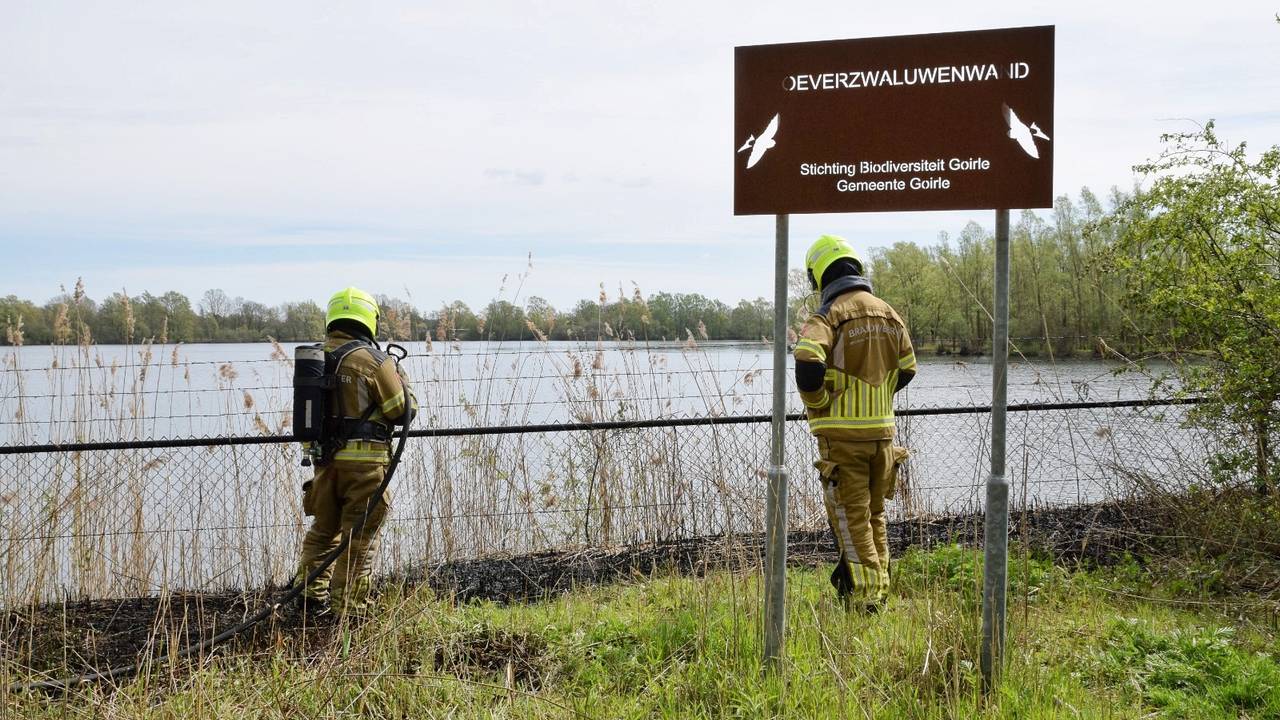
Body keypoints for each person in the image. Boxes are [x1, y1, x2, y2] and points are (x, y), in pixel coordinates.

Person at [793, 236, 916, 612]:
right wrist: (879, 395)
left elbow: (807, 361)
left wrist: (819, 402)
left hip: (843, 440)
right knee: (875, 516)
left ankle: (867, 603)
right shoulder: (889, 313)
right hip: (883, 438)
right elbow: (908, 367)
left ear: (818, 276)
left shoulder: (829, 316)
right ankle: (880, 590)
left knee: (851, 520)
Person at [294, 286, 417, 618]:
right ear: (369, 320)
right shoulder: (374, 361)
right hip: (365, 467)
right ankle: (349, 611)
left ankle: (308, 597)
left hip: (324, 464)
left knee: (323, 532)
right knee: (359, 540)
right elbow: (401, 411)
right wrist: (401, 378)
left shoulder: (315, 359)